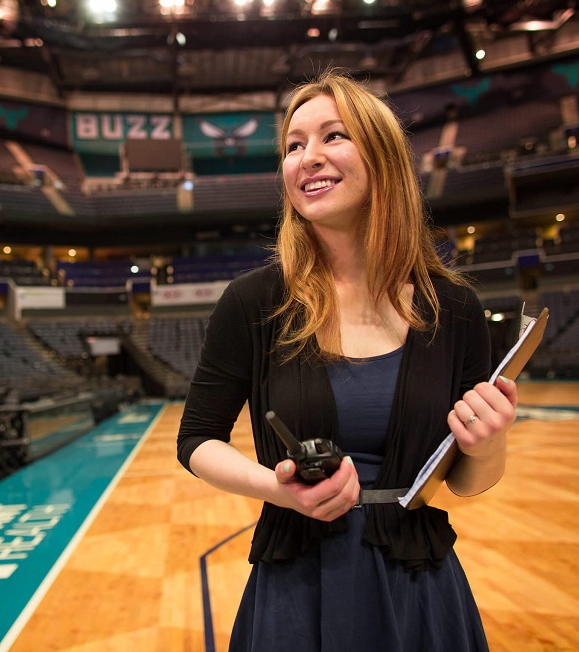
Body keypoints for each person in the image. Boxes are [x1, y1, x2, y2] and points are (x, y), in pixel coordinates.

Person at [176, 69, 519, 651]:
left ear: (383, 158)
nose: (307, 157)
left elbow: (465, 482)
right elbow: (197, 440)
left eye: (333, 136)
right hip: (296, 586)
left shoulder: (454, 307)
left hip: (419, 588)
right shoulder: (254, 302)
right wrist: (279, 489)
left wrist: (489, 444)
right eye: (293, 144)